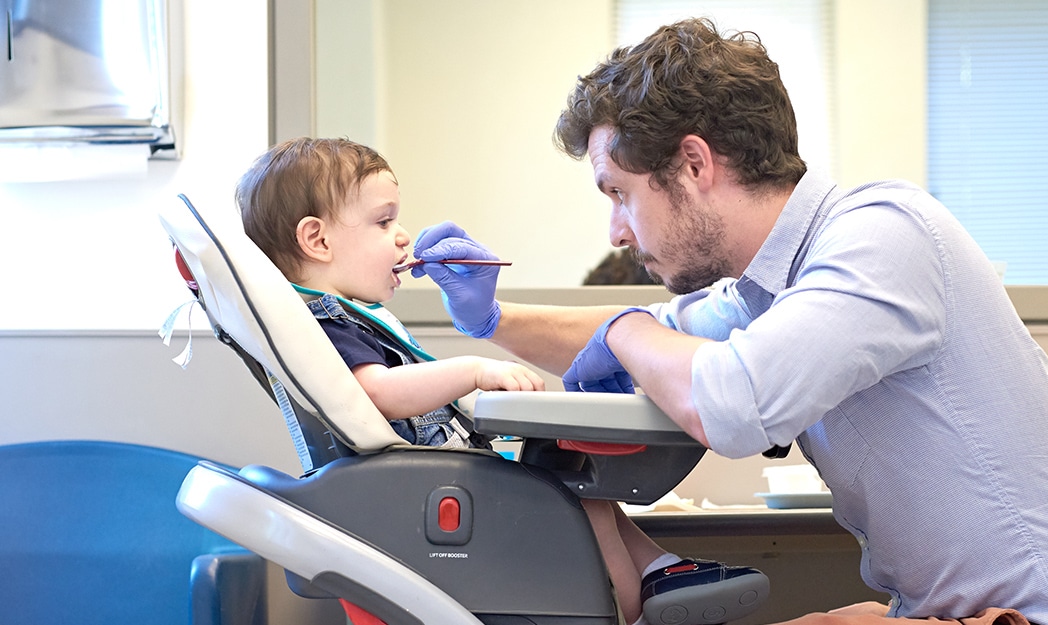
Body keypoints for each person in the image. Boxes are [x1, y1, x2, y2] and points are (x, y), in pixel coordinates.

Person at [411, 18, 1048, 625]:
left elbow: (730, 401)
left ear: (694, 165)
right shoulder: (774, 283)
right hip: (949, 610)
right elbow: (659, 330)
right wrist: (491, 316)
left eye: (620, 193)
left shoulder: (880, 235)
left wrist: (625, 333)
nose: (616, 230)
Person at [235, 137, 769, 625]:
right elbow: (376, 393)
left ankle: (656, 573)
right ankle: (638, 606)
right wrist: (472, 370)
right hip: (418, 492)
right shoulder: (328, 319)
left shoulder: (342, 317)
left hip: (419, 482)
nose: (401, 236)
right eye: (382, 222)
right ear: (317, 240)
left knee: (569, 468)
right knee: (567, 478)